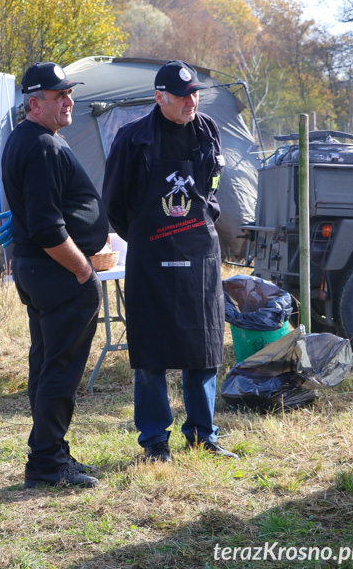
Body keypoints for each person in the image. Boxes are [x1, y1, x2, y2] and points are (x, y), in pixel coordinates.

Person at [102, 60, 237, 463]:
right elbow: (115, 202)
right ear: (159, 97)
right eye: (181, 96)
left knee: (204, 347)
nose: (190, 101)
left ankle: (202, 435)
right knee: (152, 353)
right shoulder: (132, 138)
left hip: (200, 257)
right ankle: (154, 441)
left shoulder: (208, 131)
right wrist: (150, 236)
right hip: (151, 256)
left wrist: (199, 225)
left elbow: (212, 190)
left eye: (194, 93)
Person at [1, 62, 109, 489]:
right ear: (34, 103)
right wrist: (82, 270)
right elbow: (47, 227)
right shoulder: (42, 144)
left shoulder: (28, 139)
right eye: (59, 95)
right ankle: (46, 462)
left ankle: (51, 450)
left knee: (48, 364)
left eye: (69, 92)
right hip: (57, 270)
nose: (69, 101)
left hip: (39, 269)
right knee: (59, 368)